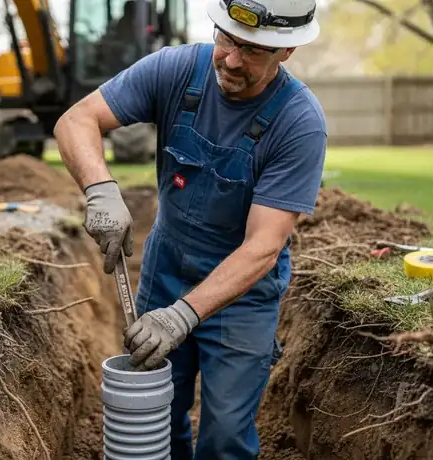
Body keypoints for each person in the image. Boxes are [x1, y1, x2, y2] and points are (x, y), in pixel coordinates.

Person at [53, 0, 326, 457]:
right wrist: (99, 188)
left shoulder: (299, 123)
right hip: (166, 272)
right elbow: (77, 120)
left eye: (253, 51)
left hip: (243, 296)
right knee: (156, 412)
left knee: (224, 437)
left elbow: (263, 247)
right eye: (227, 39)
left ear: (288, 51)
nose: (232, 60)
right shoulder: (178, 69)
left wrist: (184, 314)